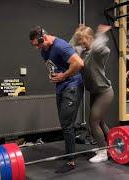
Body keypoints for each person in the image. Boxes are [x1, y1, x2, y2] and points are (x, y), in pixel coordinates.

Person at [29, 26, 84, 173]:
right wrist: (53, 75)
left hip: (72, 85)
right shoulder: (44, 50)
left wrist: (64, 76)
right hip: (61, 86)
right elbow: (53, 66)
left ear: (44, 37)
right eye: (35, 45)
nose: (37, 48)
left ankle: (71, 161)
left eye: (38, 44)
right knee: (64, 123)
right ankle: (69, 154)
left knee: (67, 124)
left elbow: (79, 63)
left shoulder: (60, 46)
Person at [70, 24, 114, 163]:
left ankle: (102, 153)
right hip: (95, 92)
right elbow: (70, 49)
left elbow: (105, 50)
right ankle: (112, 145)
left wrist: (100, 35)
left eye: (84, 39)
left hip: (104, 92)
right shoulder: (82, 52)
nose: (81, 42)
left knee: (93, 122)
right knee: (99, 122)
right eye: (80, 40)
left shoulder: (96, 52)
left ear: (90, 38)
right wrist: (76, 34)